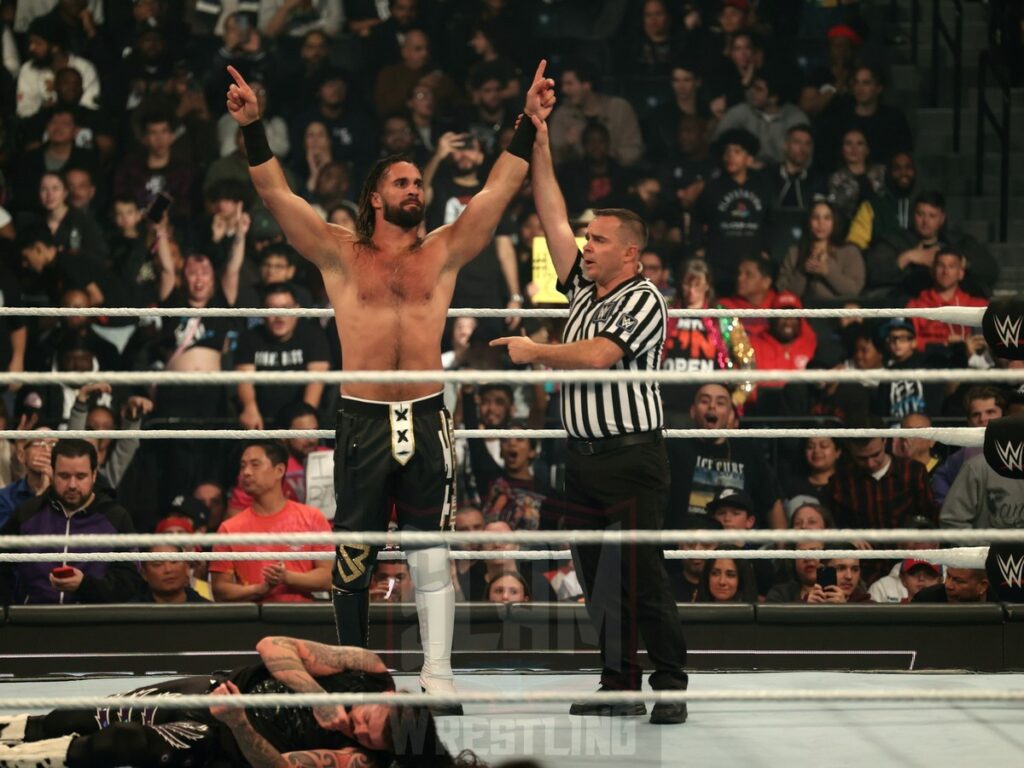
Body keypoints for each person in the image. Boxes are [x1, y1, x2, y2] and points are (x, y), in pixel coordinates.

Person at [227, 61, 555, 710]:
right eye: (401, 181)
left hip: (429, 414)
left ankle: (437, 674)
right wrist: (253, 126)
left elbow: (497, 189)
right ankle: (354, 675)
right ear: (375, 197)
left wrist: (528, 119)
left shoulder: (444, 248)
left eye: (417, 181)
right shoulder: (339, 253)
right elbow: (277, 196)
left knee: (432, 548)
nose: (415, 187)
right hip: (363, 418)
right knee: (355, 555)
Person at [489, 114, 688, 724]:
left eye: (597, 241)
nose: (585, 247)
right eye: (587, 240)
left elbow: (602, 357)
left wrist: (536, 351)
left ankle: (672, 686)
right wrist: (541, 144)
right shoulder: (582, 289)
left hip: (631, 458)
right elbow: (551, 215)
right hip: (582, 458)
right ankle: (619, 684)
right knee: (597, 577)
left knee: (644, 577)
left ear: (630, 252)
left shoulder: (642, 298)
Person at [0, 635, 473, 767]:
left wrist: (242, 724)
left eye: (364, 737)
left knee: (120, 743)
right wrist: (318, 699)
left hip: (220, 735)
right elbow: (273, 646)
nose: (354, 728)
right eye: (364, 720)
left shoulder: (360, 761)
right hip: (210, 687)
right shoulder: (369, 671)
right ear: (389, 701)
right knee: (74, 716)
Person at [0, 439, 143, 606]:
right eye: (64, 476)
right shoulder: (28, 513)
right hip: (34, 620)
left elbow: (130, 580)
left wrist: (85, 585)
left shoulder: (115, 516)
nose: (72, 485)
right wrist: (8, 608)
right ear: (52, 473)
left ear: (94, 475)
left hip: (94, 623)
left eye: (81, 476)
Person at [209, 441, 333, 603]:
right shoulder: (230, 528)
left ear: (279, 470)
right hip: (253, 622)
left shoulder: (312, 518)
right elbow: (219, 590)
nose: (246, 472)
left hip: (302, 620)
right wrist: (258, 589)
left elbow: (329, 577)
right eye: (243, 466)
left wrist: (287, 577)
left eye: (255, 465)